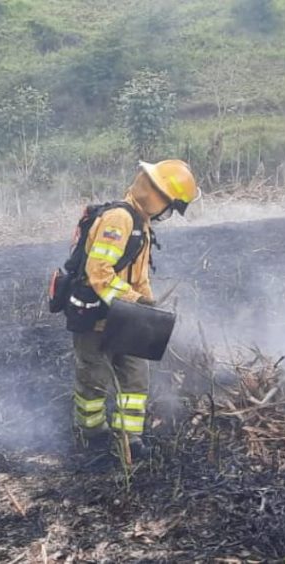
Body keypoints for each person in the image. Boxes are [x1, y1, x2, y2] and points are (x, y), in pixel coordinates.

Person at [72, 160, 199, 459]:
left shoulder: (141, 223)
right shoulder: (119, 219)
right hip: (95, 316)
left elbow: (138, 277)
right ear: (157, 197)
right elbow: (99, 271)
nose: (167, 214)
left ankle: (131, 438)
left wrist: (149, 306)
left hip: (125, 315)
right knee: (94, 380)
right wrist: (135, 301)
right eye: (170, 206)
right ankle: (93, 435)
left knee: (135, 378)